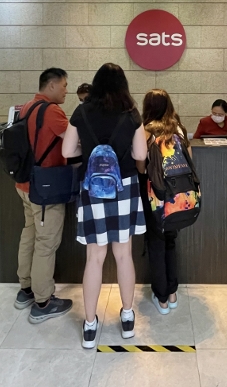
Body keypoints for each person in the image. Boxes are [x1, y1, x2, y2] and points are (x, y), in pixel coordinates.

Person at [62, 63, 147, 349]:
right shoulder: (132, 114)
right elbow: (140, 154)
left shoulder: (81, 111)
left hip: (93, 189)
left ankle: (89, 324)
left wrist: (88, 153)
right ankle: (126, 317)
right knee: (123, 255)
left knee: (94, 258)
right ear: (123, 85)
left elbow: (66, 150)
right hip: (124, 188)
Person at [12, 68, 74, 324]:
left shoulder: (27, 106)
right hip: (46, 188)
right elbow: (73, 141)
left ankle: (25, 289)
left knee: (30, 234)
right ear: (50, 85)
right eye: (64, 85)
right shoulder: (51, 111)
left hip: (24, 184)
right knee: (46, 244)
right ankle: (43, 301)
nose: (66, 90)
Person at [140, 89, 189, 315]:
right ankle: (172, 292)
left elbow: (141, 167)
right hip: (178, 197)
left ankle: (161, 298)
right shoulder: (178, 129)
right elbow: (190, 160)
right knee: (170, 240)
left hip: (155, 197)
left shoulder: (146, 131)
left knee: (156, 243)